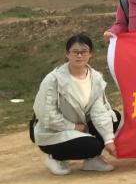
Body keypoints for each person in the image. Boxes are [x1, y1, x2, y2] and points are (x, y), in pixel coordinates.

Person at [30, 34, 120, 175]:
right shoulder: (54, 80)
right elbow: (46, 114)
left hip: (81, 126)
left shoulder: (96, 78)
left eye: (84, 52)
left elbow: (99, 112)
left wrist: (109, 140)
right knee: (92, 145)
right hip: (54, 130)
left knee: (113, 116)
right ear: (67, 54)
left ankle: (92, 160)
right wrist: (72, 127)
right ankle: (55, 157)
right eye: (75, 52)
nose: (79, 55)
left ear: (90, 54)